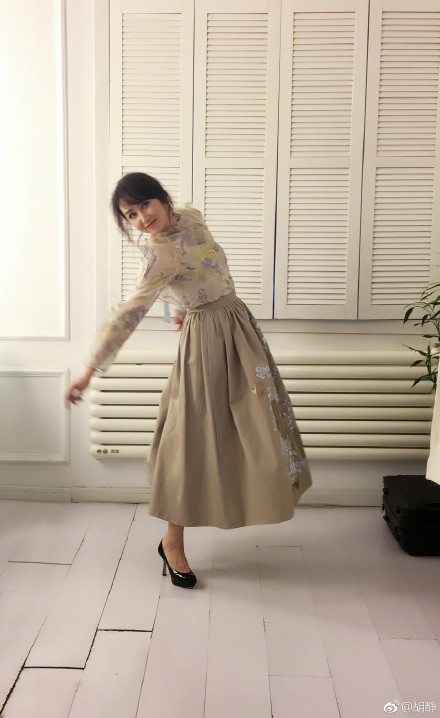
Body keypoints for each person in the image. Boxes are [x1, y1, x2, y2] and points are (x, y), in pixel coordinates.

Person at [65, 172, 312, 589]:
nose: (142, 218)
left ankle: (241, 505)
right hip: (206, 344)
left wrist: (179, 306)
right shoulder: (157, 253)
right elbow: (130, 312)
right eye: (131, 215)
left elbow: (201, 267)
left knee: (260, 429)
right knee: (191, 439)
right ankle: (173, 541)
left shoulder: (193, 216)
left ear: (161, 198)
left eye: (144, 205)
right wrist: (89, 371)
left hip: (239, 328)